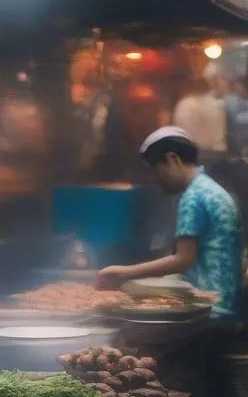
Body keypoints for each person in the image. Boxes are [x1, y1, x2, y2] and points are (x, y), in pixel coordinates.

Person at [97, 127, 244, 329]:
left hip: (211, 311)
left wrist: (122, 273)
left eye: (155, 170)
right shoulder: (210, 189)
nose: (155, 179)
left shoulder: (193, 197)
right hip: (228, 304)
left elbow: (183, 259)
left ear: (172, 158)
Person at [173, 75, 226, 164]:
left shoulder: (182, 105)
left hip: (190, 152)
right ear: (209, 89)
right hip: (215, 152)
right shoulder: (218, 105)